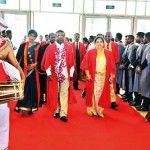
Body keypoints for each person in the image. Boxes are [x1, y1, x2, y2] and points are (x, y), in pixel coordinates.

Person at [0, 17, 25, 150]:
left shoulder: (5, 45)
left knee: (3, 117)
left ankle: (3, 146)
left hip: (2, 87)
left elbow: (15, 65)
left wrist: (22, 78)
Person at [41, 30, 75, 122]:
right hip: (54, 74)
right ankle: (56, 110)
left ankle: (63, 113)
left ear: (64, 37)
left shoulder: (69, 48)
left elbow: (72, 62)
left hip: (65, 74)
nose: (60, 37)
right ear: (55, 37)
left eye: (62, 35)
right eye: (58, 35)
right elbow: (47, 61)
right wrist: (49, 74)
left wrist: (71, 74)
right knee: (54, 92)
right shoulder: (50, 48)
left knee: (64, 93)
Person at [80, 36, 116, 117]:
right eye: (97, 42)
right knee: (92, 93)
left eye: (101, 42)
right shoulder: (90, 52)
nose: (99, 43)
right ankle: (92, 110)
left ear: (103, 43)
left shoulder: (108, 53)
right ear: (95, 43)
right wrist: (88, 74)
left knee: (101, 94)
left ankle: (100, 111)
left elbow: (113, 67)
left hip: (104, 77)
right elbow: (86, 65)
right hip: (93, 76)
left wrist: (111, 77)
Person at [14, 29, 41, 114]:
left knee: (32, 88)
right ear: (28, 36)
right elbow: (17, 58)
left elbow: (41, 58)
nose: (32, 38)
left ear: (35, 37)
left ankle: (31, 107)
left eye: (33, 36)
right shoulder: (23, 46)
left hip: (34, 71)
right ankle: (22, 106)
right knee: (24, 88)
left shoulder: (38, 47)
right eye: (30, 35)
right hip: (24, 70)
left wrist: (35, 64)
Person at [38, 32, 56, 106]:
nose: (53, 38)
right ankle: (43, 100)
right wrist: (43, 69)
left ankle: (52, 100)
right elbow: (41, 58)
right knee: (43, 86)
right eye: (51, 37)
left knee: (53, 87)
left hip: (55, 71)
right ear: (48, 38)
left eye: (54, 37)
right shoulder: (44, 47)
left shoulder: (58, 47)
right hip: (45, 70)